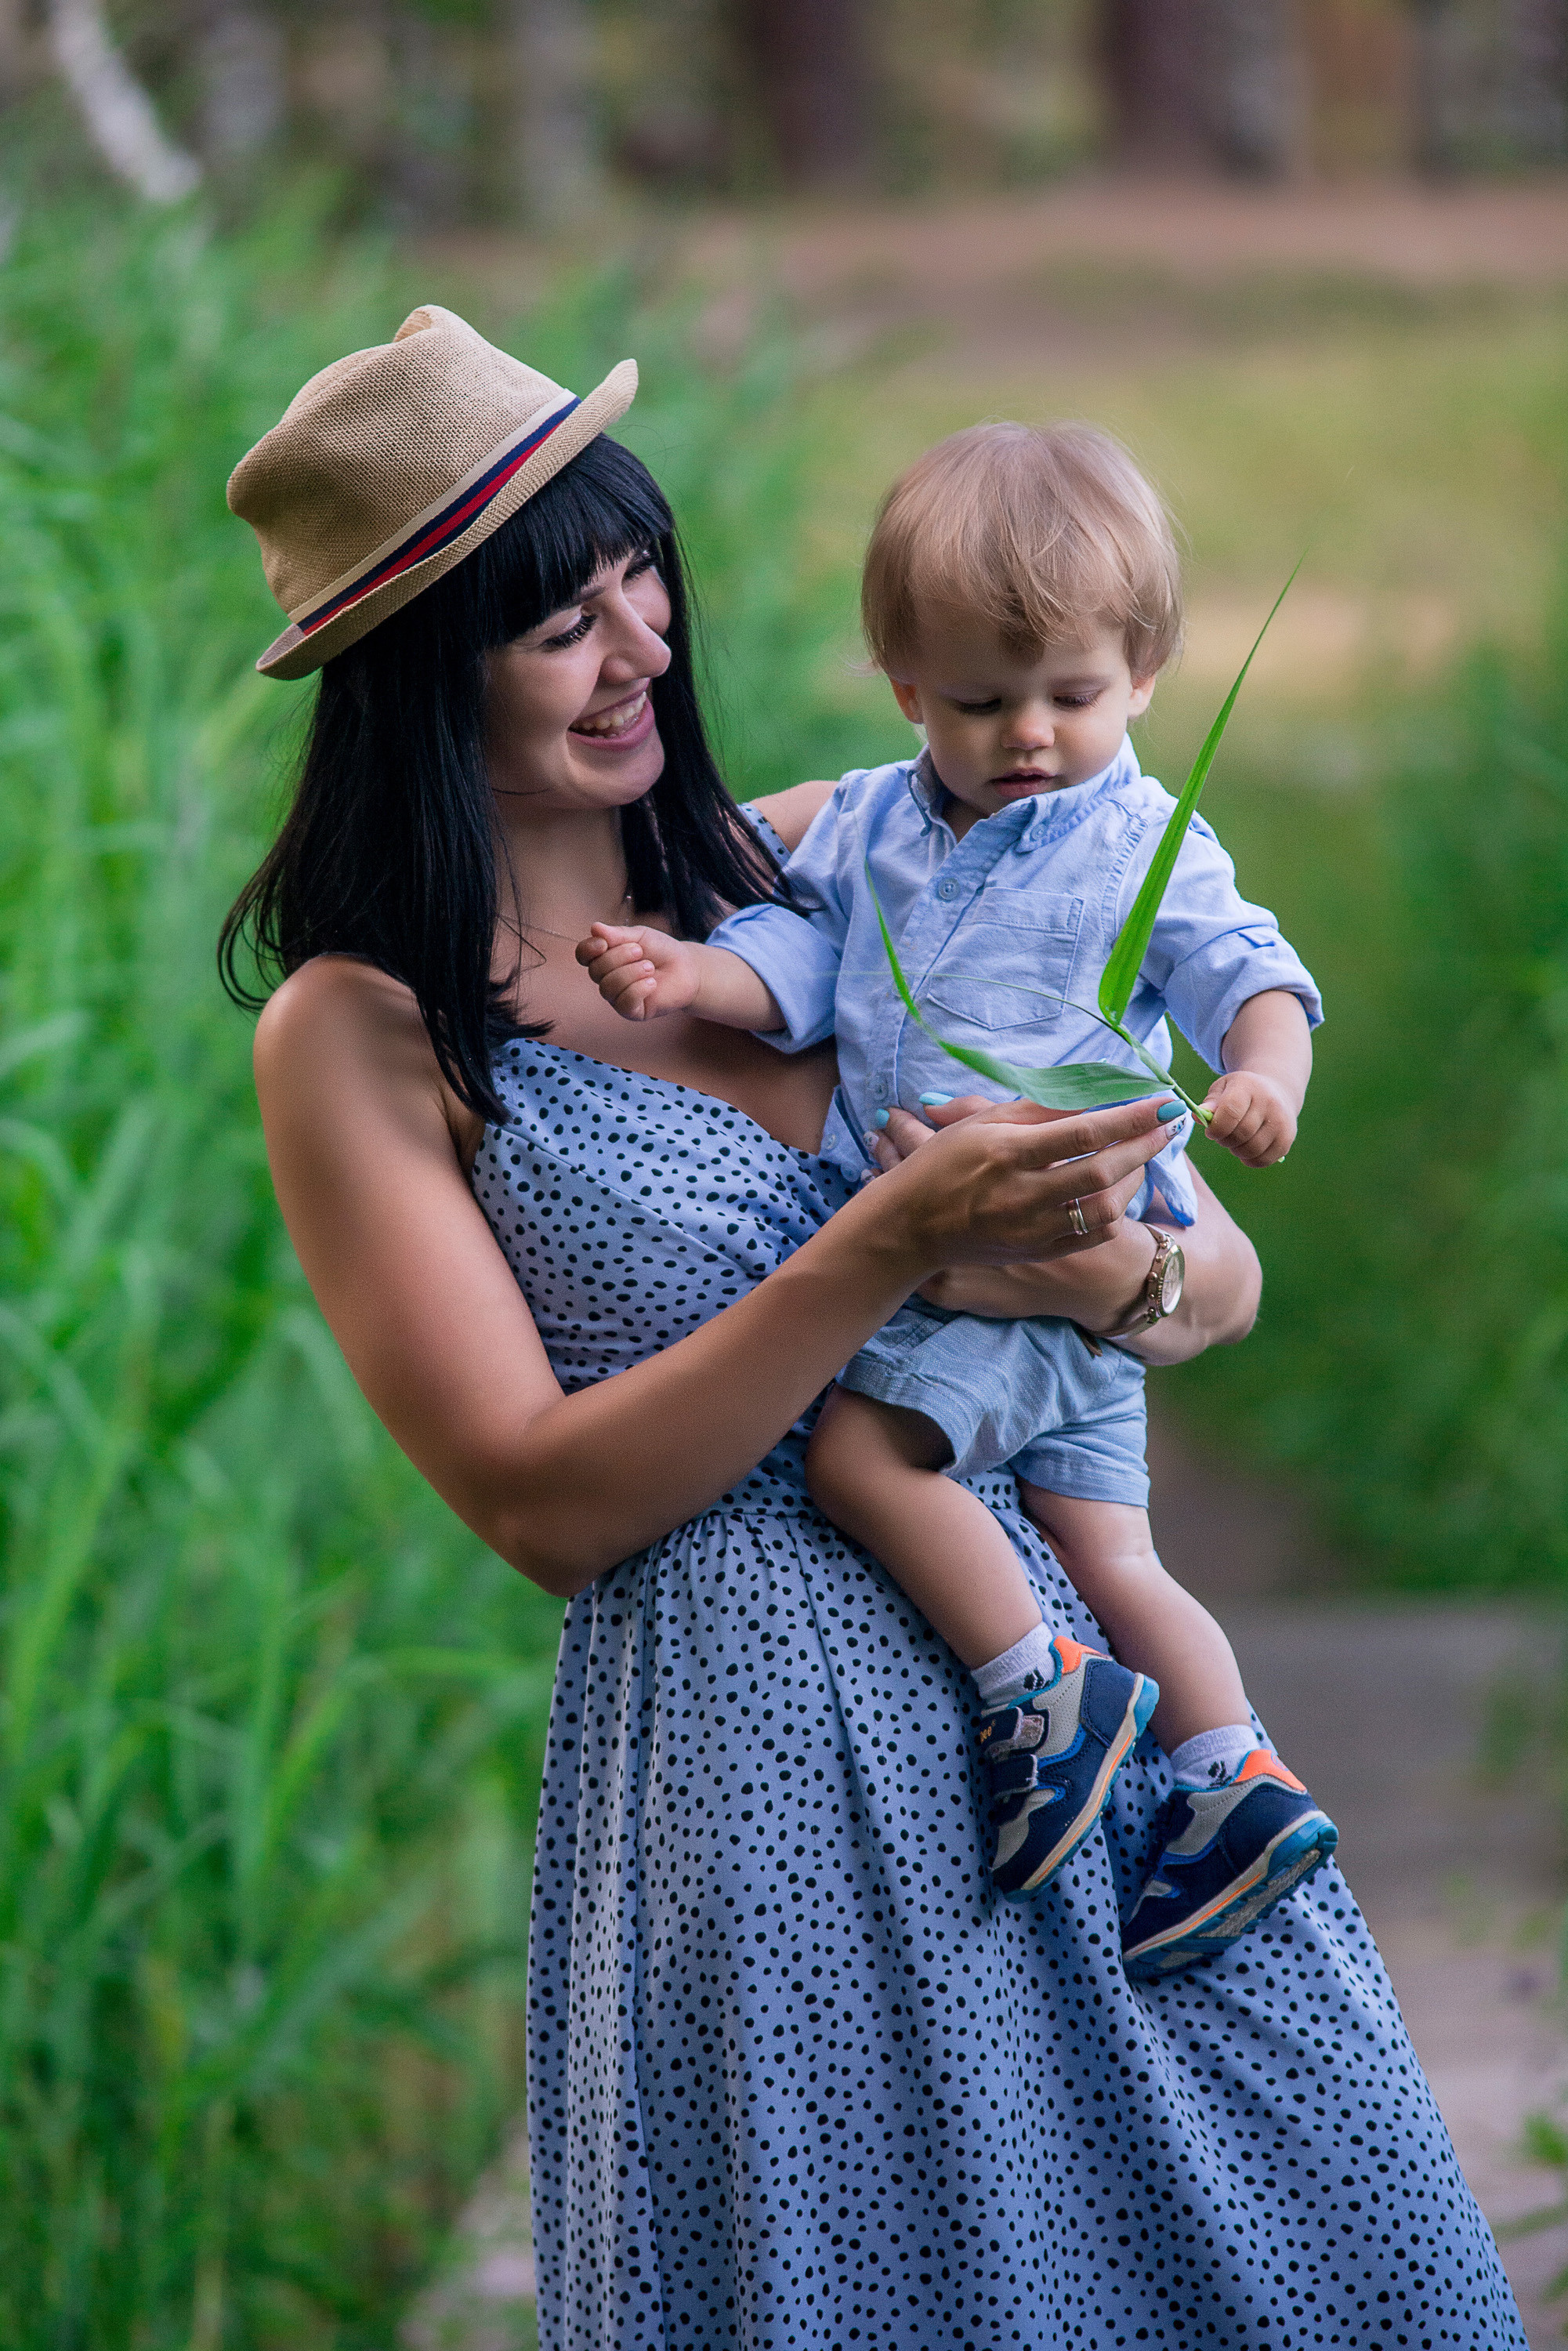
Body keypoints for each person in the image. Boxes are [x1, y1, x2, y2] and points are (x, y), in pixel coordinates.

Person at [223, 304, 1527, 2349]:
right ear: (417, 669)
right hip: (758, 1764)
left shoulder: (851, 851)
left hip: (1081, 1707)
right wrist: (883, 1244)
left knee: (1281, 2241)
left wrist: (1119, 1268)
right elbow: (541, 1506)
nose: (643, 647)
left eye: (643, 580)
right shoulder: (368, 1031)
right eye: (563, 618)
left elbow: (1218, 1273)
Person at [578, 422, 1336, 1973]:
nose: (1031, 737)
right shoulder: (866, 826)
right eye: (981, 702)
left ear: (1142, 675)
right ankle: (1230, 1774)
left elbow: (1253, 975)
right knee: (1115, 1551)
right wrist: (686, 970)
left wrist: (1262, 1080)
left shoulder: (1140, 839)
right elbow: (794, 969)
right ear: (906, 683)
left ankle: (1034, 1691)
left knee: (860, 1462)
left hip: (1038, 1242)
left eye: (1071, 695)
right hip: (1051, 1300)